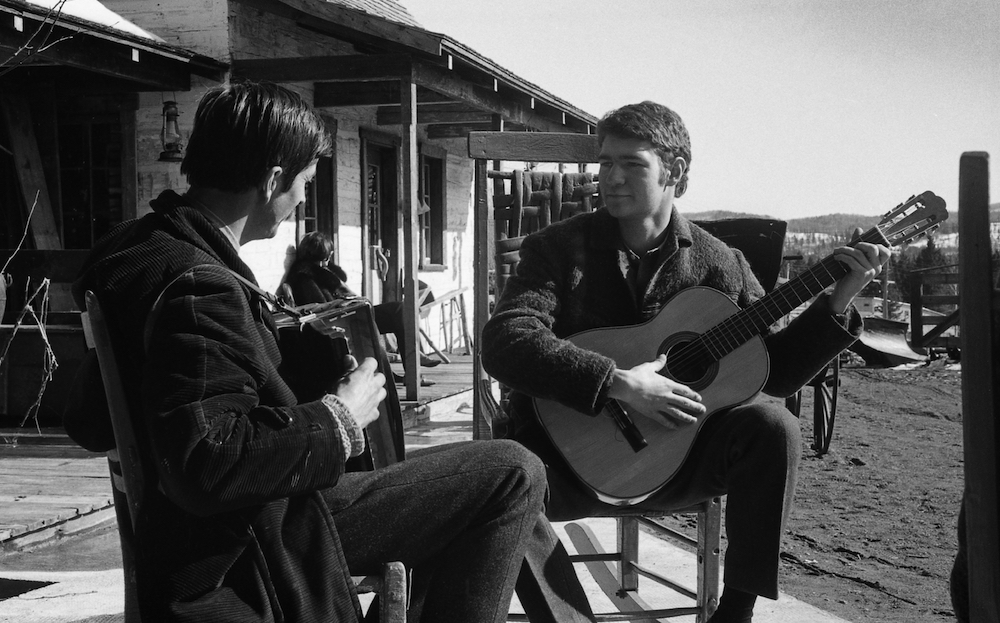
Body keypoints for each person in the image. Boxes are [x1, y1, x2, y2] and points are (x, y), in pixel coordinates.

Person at [64, 80, 592, 623]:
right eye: (306, 184)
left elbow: (100, 418)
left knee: (476, 491)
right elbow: (209, 462)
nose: (301, 202)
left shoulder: (135, 253)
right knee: (515, 470)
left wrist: (288, 361)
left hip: (204, 529)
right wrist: (339, 417)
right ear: (272, 180)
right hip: (258, 540)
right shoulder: (201, 287)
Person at [482, 101, 891, 623]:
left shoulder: (721, 263)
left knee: (774, 426)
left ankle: (736, 610)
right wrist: (616, 382)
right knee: (500, 481)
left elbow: (779, 369)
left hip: (678, 458)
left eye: (632, 164)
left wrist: (837, 301)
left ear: (675, 172)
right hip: (563, 462)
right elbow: (505, 339)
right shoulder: (557, 249)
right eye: (605, 163)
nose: (612, 177)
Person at [280, 230, 441, 386]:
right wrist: (348, 302)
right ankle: (413, 366)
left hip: (352, 314)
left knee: (399, 309)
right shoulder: (304, 278)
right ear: (324, 254)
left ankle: (413, 365)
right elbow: (323, 310)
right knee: (395, 312)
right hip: (342, 322)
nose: (330, 257)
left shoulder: (323, 273)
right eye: (328, 254)